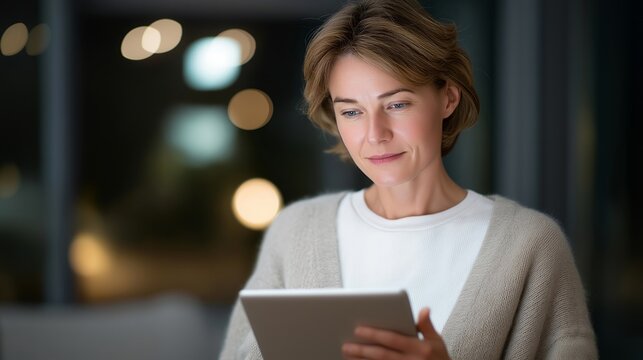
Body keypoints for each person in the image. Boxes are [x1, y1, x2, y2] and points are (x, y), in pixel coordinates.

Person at [220, 0, 598, 358]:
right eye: (351, 112)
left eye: (397, 104)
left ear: (448, 98)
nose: (374, 134)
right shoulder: (295, 232)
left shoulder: (529, 246)